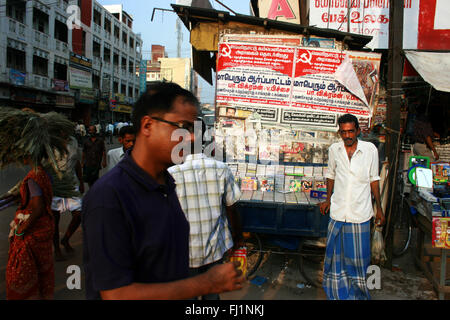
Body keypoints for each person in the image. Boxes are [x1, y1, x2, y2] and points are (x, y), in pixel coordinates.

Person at [82, 82, 244, 300]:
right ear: (147, 125)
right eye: (183, 126)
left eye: (194, 128)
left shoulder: (166, 183)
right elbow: (116, 294)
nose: (193, 137)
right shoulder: (110, 196)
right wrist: (205, 283)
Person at [0, 108, 75, 300]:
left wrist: (21, 230)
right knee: (43, 270)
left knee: (22, 275)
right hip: (45, 228)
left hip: (34, 232)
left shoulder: (34, 176)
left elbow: (37, 205)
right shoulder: (43, 172)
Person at [168, 118, 243, 300]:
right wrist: (238, 237)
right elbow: (232, 208)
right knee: (212, 297)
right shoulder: (221, 168)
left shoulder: (171, 173)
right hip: (215, 249)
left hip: (184, 253)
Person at [319, 113, 384, 300]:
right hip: (338, 213)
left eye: (350, 131)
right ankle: (338, 295)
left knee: (358, 261)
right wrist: (327, 199)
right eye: (343, 132)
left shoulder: (370, 149)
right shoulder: (334, 149)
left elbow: (374, 179)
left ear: (358, 131)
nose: (347, 136)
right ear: (339, 132)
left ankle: (358, 296)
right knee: (335, 260)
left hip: (360, 214)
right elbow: (331, 175)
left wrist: (379, 208)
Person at [51, 135, 84, 260]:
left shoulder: (73, 141)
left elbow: (76, 162)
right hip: (55, 183)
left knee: (79, 214)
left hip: (71, 183)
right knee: (54, 218)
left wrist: (80, 181)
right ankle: (57, 250)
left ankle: (65, 239)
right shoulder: (49, 142)